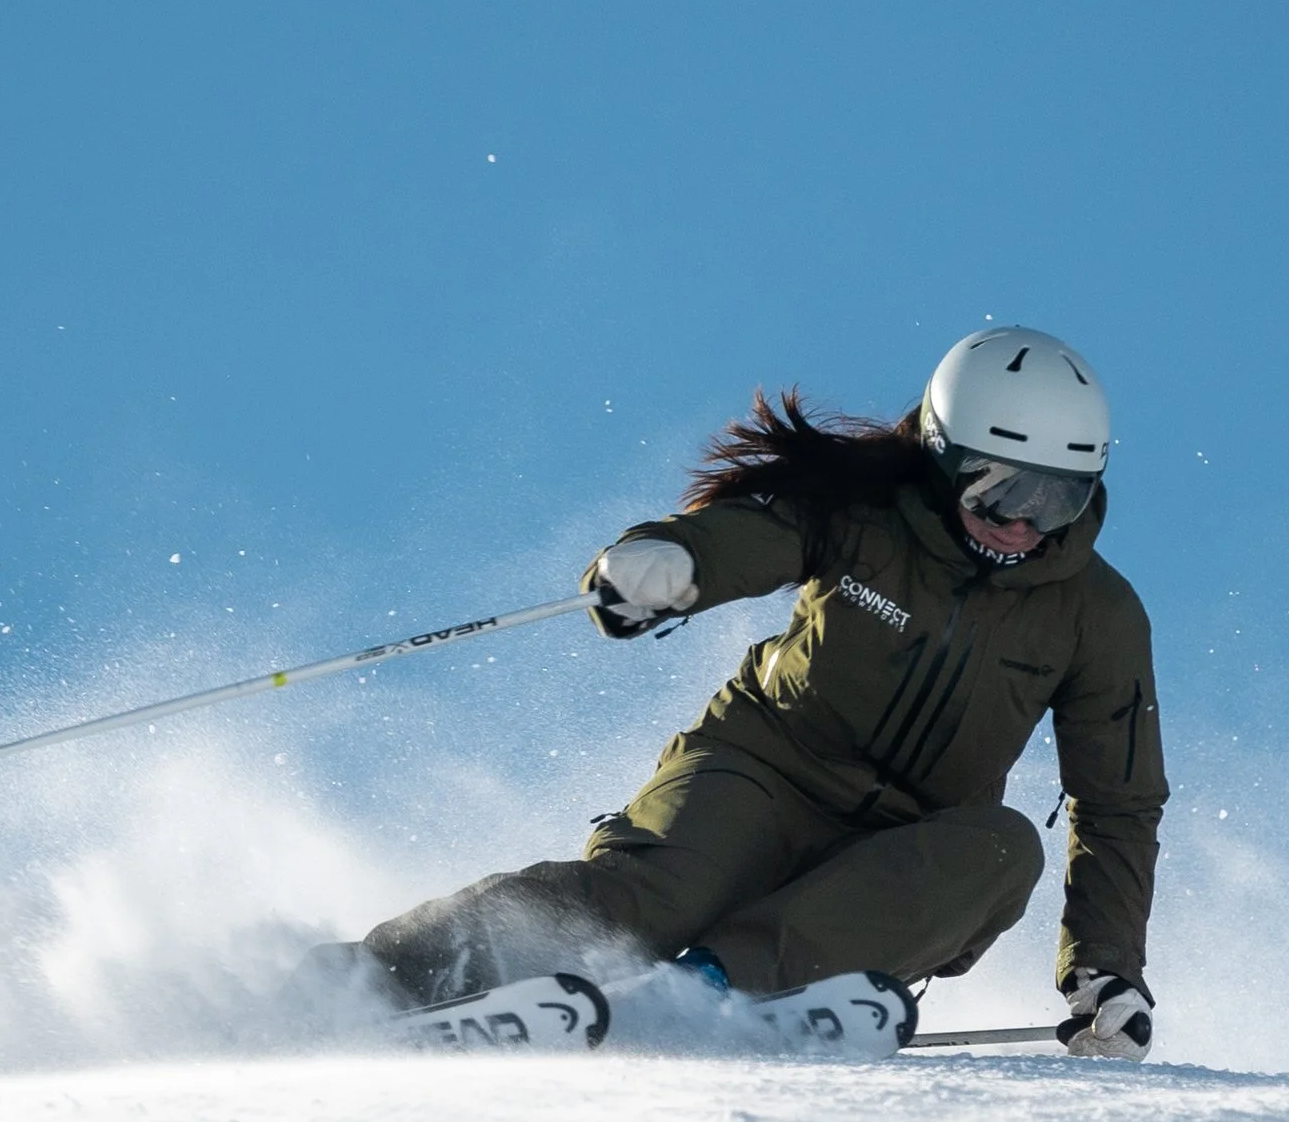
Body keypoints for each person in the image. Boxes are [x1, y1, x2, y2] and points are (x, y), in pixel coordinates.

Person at [353, 326, 1167, 1058]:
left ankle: (709, 993)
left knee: (1004, 846)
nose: (1022, 523)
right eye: (998, 490)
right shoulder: (864, 517)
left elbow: (1117, 803)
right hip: (761, 768)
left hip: (901, 851)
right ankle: (386, 974)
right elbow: (751, 535)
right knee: (650, 901)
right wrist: (668, 564)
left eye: (1054, 498)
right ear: (943, 455)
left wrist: (1106, 968)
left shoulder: (1098, 615)